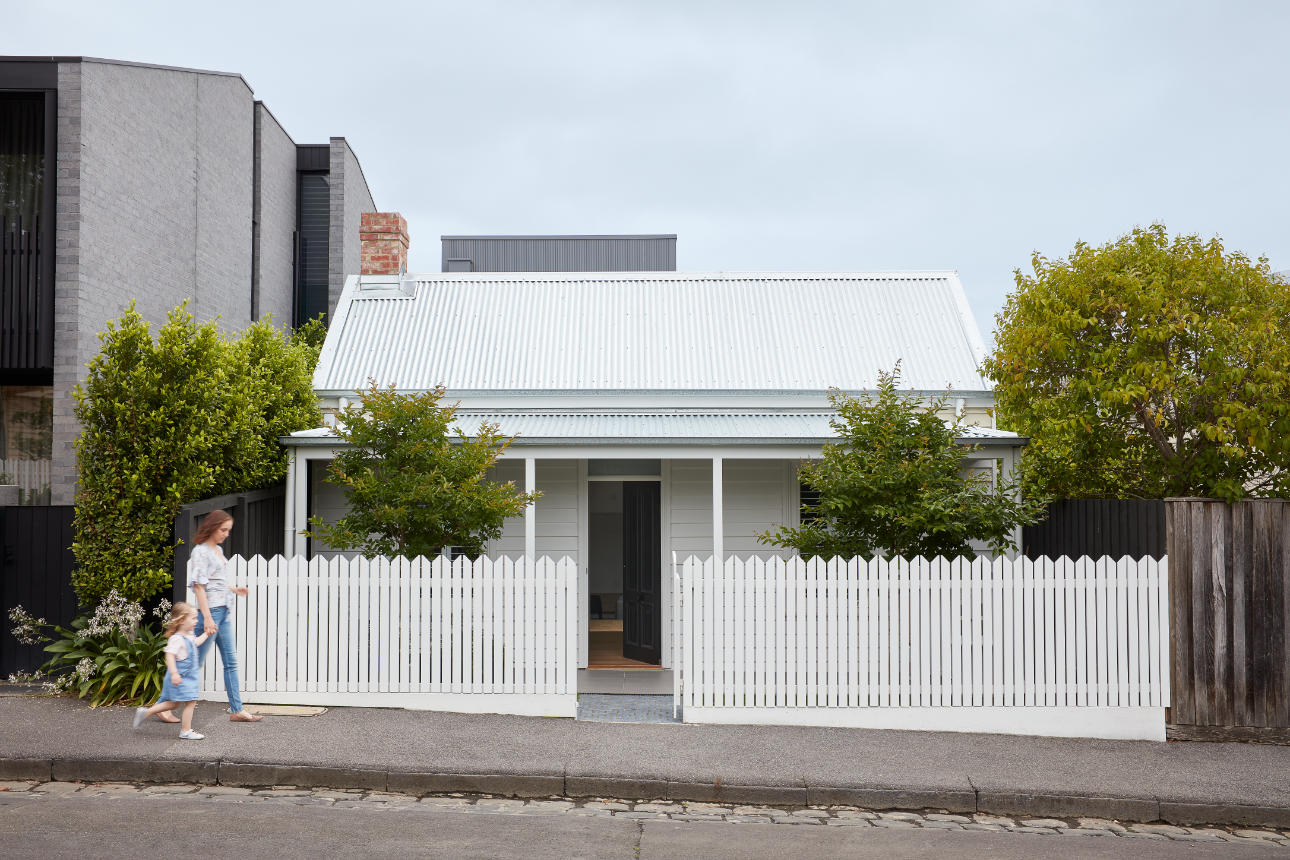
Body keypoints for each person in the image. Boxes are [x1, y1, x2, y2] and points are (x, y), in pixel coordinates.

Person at [188, 509, 263, 722]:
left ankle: (237, 710)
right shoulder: (200, 552)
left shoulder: (218, 550)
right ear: (211, 527)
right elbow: (199, 587)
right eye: (223, 530)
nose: (226, 534)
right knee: (193, 661)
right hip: (210, 614)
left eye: (228, 530)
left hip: (223, 612)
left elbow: (215, 584)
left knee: (230, 661)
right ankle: (163, 704)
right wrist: (208, 618)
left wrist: (234, 589)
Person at [132, 602, 214, 738]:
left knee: (174, 704)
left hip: (185, 677)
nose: (196, 621)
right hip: (180, 677)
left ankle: (146, 712)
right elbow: (169, 655)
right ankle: (186, 731)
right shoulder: (176, 639)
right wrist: (174, 673)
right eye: (193, 618)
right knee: (191, 702)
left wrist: (206, 634)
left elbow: (196, 642)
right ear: (181, 620)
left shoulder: (189, 635)